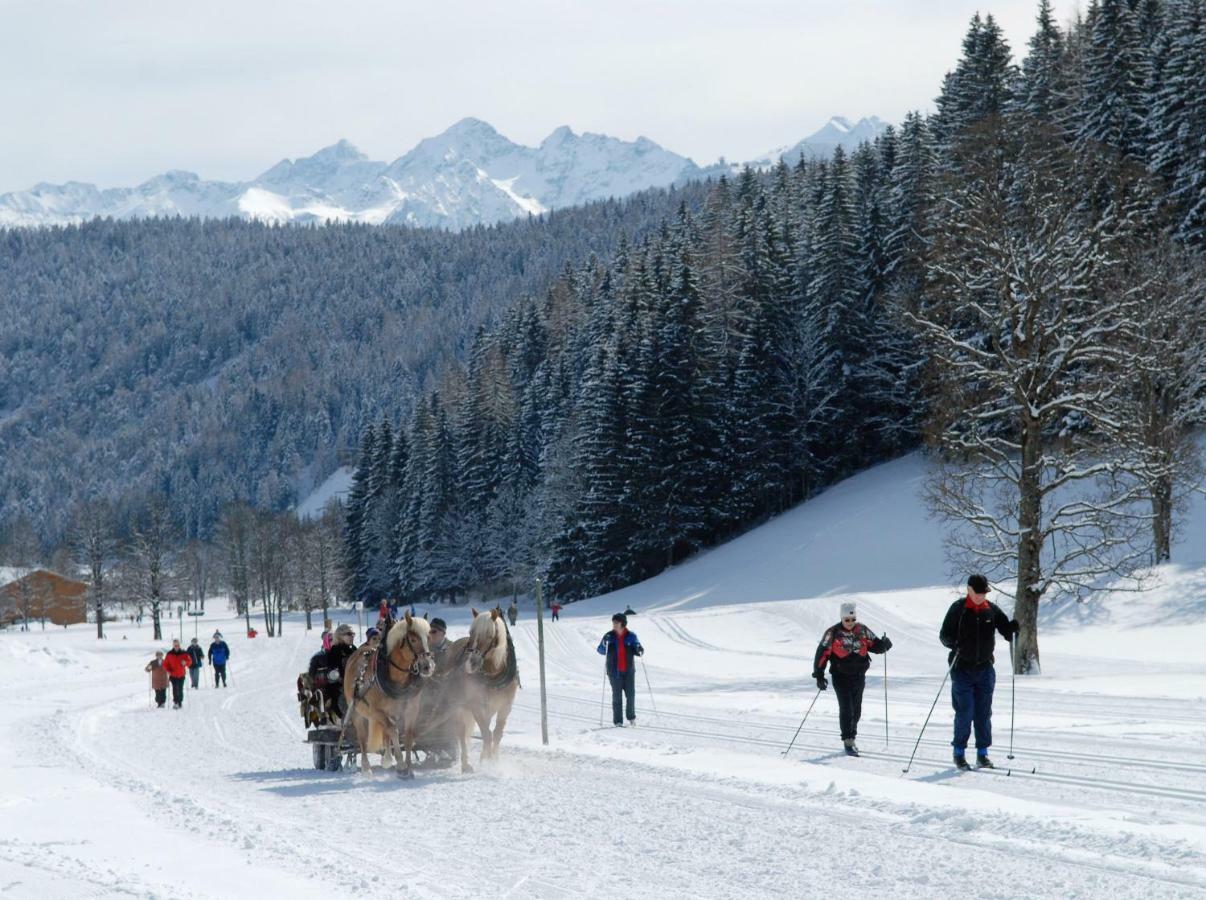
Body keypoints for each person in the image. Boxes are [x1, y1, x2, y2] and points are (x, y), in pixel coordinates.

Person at [939, 574, 1019, 770]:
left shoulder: (990, 610)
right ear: (969, 590)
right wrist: (954, 643)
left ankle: (982, 754)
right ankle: (959, 752)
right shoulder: (958, 609)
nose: (981, 596)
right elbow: (944, 636)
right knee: (965, 711)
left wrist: (1012, 630)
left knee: (983, 713)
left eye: (984, 593)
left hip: (984, 669)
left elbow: (1006, 631)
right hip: (962, 668)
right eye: (978, 592)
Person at [812, 602, 892, 757]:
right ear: (842, 618)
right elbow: (822, 653)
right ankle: (848, 740)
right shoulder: (832, 632)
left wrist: (884, 645)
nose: (850, 623)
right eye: (847, 619)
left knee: (856, 710)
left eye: (853, 619)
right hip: (840, 676)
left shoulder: (862, 630)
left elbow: (874, 645)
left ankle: (852, 734)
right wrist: (819, 674)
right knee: (847, 708)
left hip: (859, 675)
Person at [597, 613, 644, 727]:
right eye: (613, 622)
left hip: (628, 671)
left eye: (616, 622)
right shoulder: (609, 636)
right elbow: (600, 650)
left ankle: (631, 717)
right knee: (617, 696)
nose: (614, 624)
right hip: (614, 671)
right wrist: (604, 643)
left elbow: (638, 648)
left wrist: (639, 649)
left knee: (631, 694)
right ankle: (618, 721)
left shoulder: (631, 636)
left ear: (622, 623)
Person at [307, 624, 358, 721]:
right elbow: (331, 672)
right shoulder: (333, 652)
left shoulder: (354, 649)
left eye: (353, 634)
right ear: (340, 636)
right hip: (339, 686)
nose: (352, 636)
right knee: (336, 698)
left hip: (356, 682)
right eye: (349, 634)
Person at [163, 639, 192, 708]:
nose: (176, 646)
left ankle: (180, 702)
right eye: (175, 645)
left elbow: (190, 661)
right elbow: (165, 664)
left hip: (181, 674)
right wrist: (168, 670)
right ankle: (176, 702)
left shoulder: (184, 653)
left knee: (180, 688)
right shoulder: (169, 654)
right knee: (175, 688)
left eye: (178, 645)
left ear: (179, 645)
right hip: (173, 674)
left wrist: (185, 663)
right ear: (173, 645)